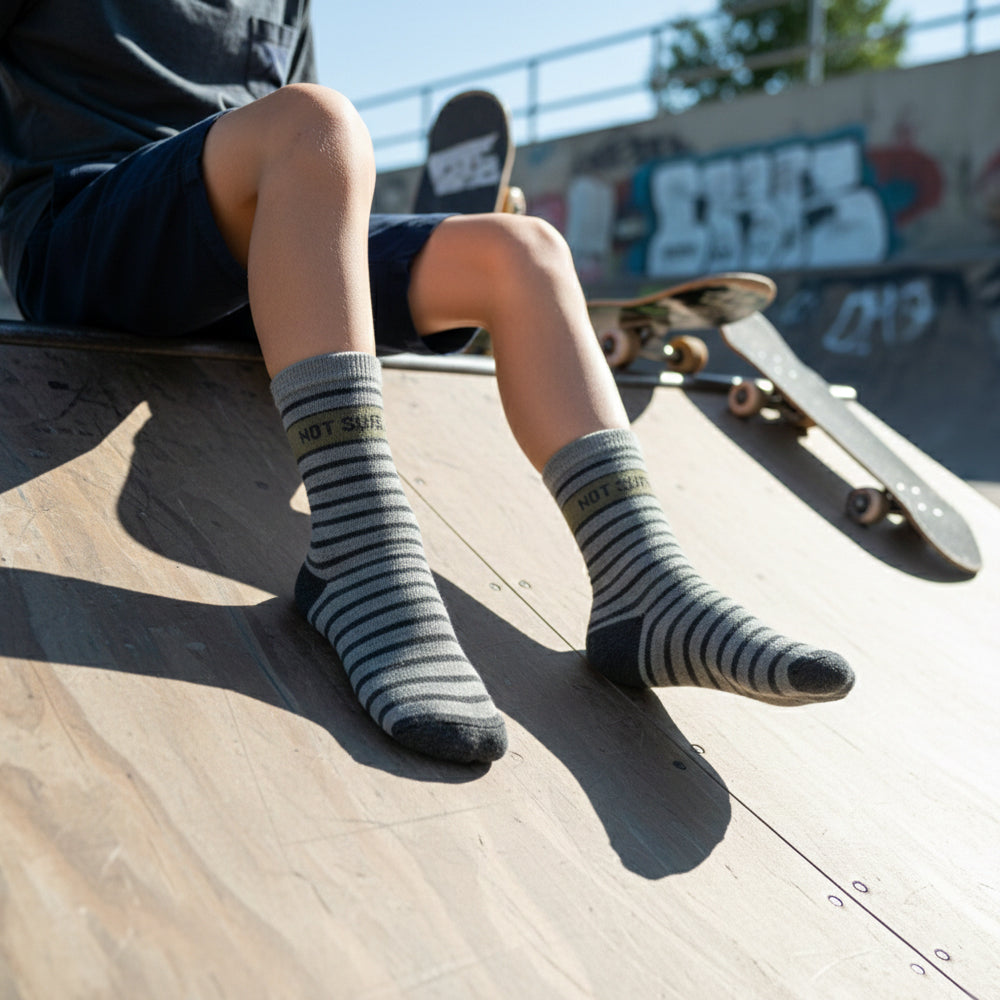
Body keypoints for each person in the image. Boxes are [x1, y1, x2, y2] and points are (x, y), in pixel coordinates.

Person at [0, 1, 854, 765]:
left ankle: (644, 587)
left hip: (248, 242)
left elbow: (313, 170)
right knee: (316, 121)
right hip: (89, 229)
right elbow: (307, 135)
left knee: (524, 253)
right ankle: (360, 556)